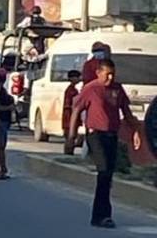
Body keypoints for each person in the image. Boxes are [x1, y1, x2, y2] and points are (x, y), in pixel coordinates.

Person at [67, 59, 141, 228]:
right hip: (95, 135)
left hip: (111, 135)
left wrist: (135, 131)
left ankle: (100, 215)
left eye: (112, 74)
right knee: (104, 170)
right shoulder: (91, 89)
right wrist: (71, 136)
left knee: (107, 175)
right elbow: (76, 110)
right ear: (98, 73)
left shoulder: (117, 89)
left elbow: (126, 112)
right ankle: (102, 215)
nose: (110, 78)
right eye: (107, 74)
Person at [0, 69, 15, 176]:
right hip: (0, 120)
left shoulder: (1, 89)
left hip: (2, 120)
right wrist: (9, 107)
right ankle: (0, 169)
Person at [62, 70, 83, 155]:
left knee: (72, 135)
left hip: (72, 115)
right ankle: (68, 151)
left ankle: (70, 150)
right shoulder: (70, 91)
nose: (78, 79)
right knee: (70, 135)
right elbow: (68, 104)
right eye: (77, 77)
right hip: (69, 115)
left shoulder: (73, 89)